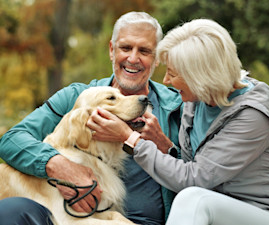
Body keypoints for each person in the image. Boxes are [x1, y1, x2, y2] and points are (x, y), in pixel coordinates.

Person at [87, 19, 269, 225]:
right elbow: (195, 168)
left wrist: (129, 138)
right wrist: (165, 146)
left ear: (200, 76)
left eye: (172, 73)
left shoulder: (253, 116)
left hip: (263, 216)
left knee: (195, 199)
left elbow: (195, 180)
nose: (166, 81)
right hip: (209, 216)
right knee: (196, 200)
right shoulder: (196, 100)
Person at [0, 12, 182, 225]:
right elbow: (12, 140)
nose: (133, 58)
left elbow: (204, 176)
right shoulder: (78, 98)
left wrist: (165, 146)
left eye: (144, 51)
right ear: (112, 50)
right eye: (125, 48)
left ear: (157, 58)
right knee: (11, 210)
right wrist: (58, 165)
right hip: (78, 218)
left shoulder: (179, 107)